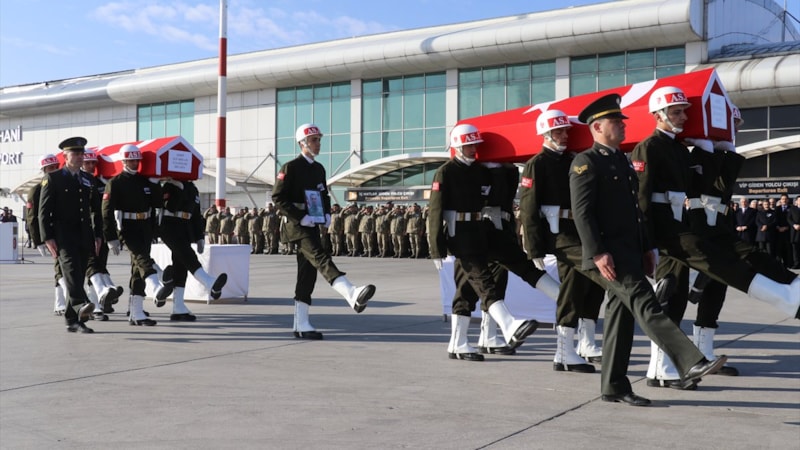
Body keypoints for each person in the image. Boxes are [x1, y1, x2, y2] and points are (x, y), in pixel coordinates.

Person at [569, 94, 727, 406]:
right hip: (609, 255)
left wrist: (646, 247)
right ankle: (690, 360)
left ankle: (614, 386)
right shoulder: (586, 162)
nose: (622, 125)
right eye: (616, 121)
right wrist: (597, 252)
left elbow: (636, 210)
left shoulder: (621, 161)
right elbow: (582, 212)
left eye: (621, 120)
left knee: (621, 319)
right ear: (597, 127)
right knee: (647, 303)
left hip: (630, 250)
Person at [631, 87, 799, 318]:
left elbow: (700, 186)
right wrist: (645, 242)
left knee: (677, 295)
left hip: (679, 221)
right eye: (676, 112)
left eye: (684, 112)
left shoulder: (679, 149)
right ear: (658, 115)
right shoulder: (649, 146)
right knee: (713, 261)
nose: (684, 117)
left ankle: (790, 290)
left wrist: (711, 153)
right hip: (665, 225)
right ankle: (785, 296)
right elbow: (641, 196)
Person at [428, 124, 551, 361]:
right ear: (457, 146)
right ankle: (501, 327)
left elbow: (497, 197)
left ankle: (468, 341)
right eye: (468, 145)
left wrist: (500, 168)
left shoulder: (480, 171)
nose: (473, 149)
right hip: (459, 234)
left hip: (482, 231)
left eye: (475, 144)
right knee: (481, 283)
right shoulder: (446, 171)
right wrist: (436, 248)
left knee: (473, 287)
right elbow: (435, 210)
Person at [519, 109, 605, 373]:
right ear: (545, 134)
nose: (565, 135)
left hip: (579, 230)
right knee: (577, 284)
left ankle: (585, 344)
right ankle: (564, 350)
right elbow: (528, 208)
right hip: (558, 235)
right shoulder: (536, 164)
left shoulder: (574, 159)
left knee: (590, 288)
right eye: (558, 131)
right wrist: (534, 247)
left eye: (566, 130)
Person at [272, 124, 376, 340]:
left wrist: (327, 214)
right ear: (302, 143)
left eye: (319, 140)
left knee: (307, 274)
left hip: (313, 223)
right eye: (314, 140)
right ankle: (351, 293)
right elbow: (278, 197)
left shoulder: (319, 169)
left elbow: (323, 194)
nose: (318, 144)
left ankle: (301, 324)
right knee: (320, 257)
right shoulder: (290, 168)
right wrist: (300, 217)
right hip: (296, 225)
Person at [102, 144, 174, 326]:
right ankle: (155, 286)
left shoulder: (144, 181)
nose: (134, 163)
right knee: (142, 258)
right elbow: (106, 211)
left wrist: (155, 184)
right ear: (123, 161)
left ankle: (136, 313)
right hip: (127, 227)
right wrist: (111, 237)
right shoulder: (115, 182)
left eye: (136, 160)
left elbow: (157, 204)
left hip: (145, 227)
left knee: (137, 271)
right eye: (131, 160)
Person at [39, 137, 102, 333]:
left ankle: (72, 320)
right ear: (65, 156)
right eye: (75, 153)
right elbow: (43, 211)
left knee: (80, 274)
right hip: (63, 236)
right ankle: (82, 303)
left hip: (84, 234)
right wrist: (47, 237)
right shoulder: (53, 178)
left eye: (82, 153)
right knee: (72, 271)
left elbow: (96, 210)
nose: (80, 157)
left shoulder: (88, 178)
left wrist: (98, 234)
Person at [159, 177, 228, 320]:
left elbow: (196, 215)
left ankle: (178, 307)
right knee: (188, 255)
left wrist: (199, 237)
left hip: (185, 229)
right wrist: (179, 188)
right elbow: (170, 206)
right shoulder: (169, 185)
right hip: (169, 226)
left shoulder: (193, 189)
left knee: (180, 267)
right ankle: (209, 282)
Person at [81, 149, 123, 320]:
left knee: (99, 264)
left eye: (93, 163)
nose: (91, 166)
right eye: (87, 163)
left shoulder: (101, 182)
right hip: (83, 229)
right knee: (91, 265)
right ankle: (97, 303)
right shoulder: (78, 181)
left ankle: (99, 302)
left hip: (100, 230)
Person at [26, 154, 68, 315]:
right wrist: (38, 240)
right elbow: (32, 217)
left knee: (63, 266)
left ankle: (60, 303)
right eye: (50, 168)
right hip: (48, 233)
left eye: (56, 167)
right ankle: (66, 300)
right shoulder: (36, 190)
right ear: (43, 170)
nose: (54, 170)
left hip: (62, 231)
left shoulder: (62, 186)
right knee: (59, 265)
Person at [789, 196, 800, 269]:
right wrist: (794, 225)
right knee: (795, 248)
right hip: (795, 232)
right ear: (796, 201)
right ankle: (796, 263)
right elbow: (788, 218)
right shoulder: (792, 209)